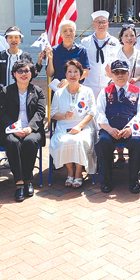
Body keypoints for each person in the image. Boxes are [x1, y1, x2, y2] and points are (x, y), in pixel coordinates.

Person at [0, 59, 46, 202]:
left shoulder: (38, 91)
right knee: (13, 143)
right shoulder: (6, 91)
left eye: (27, 71)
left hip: (31, 128)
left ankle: (28, 180)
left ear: (31, 73)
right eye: (20, 71)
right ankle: (19, 183)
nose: (24, 74)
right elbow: (1, 114)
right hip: (11, 129)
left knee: (30, 142)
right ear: (14, 74)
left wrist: (30, 127)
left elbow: (40, 113)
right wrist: (14, 128)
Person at [96, 60, 140, 194]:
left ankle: (133, 178)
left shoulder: (137, 91)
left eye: (123, 72)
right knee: (103, 142)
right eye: (116, 72)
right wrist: (109, 129)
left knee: (137, 142)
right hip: (110, 129)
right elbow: (99, 114)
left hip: (130, 130)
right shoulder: (105, 92)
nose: (120, 75)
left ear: (128, 73)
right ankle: (106, 178)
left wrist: (131, 128)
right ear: (112, 74)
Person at [50, 60, 97, 188]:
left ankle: (78, 172)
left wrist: (80, 126)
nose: (72, 75)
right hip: (64, 125)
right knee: (63, 141)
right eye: (69, 72)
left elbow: (92, 111)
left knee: (78, 141)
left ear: (80, 74)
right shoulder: (59, 93)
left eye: (76, 72)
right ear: (65, 74)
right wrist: (64, 116)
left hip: (84, 125)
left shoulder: (87, 91)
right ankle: (70, 171)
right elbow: (52, 113)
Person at [107, 23, 140, 164]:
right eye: (126, 35)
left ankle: (134, 154)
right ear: (121, 37)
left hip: (135, 93)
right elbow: (108, 72)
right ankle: (119, 155)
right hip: (118, 90)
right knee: (119, 117)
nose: (129, 38)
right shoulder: (114, 53)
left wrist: (136, 79)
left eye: (132, 35)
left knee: (134, 119)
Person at [81, 11, 121, 98]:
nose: (101, 25)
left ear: (108, 24)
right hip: (89, 84)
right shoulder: (85, 42)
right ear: (93, 24)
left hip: (108, 83)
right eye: (98, 22)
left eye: (103, 22)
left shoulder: (115, 42)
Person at [45, 20, 90, 91]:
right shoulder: (54, 50)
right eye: (65, 31)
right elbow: (50, 74)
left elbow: (85, 72)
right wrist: (50, 60)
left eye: (71, 30)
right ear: (60, 34)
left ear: (75, 32)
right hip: (58, 90)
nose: (68, 33)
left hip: (76, 89)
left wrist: (69, 81)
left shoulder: (81, 50)